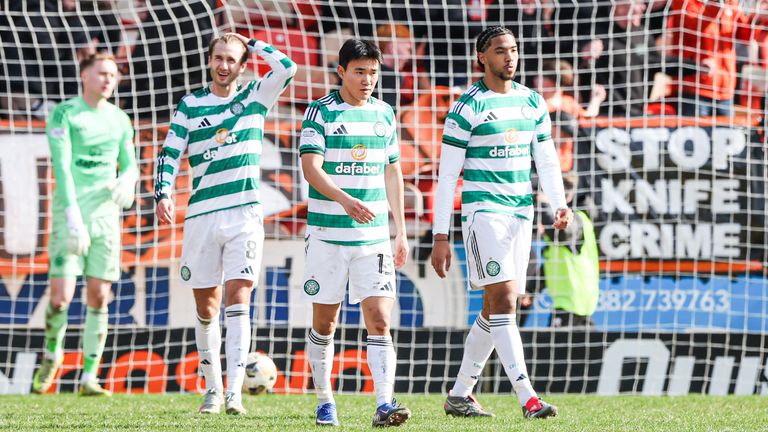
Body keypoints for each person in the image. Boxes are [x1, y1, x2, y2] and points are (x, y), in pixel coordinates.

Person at [431, 26, 572, 419]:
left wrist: (560, 204)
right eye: (499, 51)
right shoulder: (466, 107)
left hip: (521, 212)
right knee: (508, 299)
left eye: (513, 50)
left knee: (495, 306)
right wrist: (440, 235)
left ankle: (460, 393)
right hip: (483, 214)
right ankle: (528, 398)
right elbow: (446, 178)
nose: (509, 57)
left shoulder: (531, 102)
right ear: (482, 57)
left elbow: (545, 159)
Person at [153, 33, 296, 415]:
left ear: (242, 64)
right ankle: (212, 389)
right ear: (210, 59)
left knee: (239, 297)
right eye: (218, 58)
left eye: (231, 59)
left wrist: (254, 42)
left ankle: (232, 392)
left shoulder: (254, 96)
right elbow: (170, 151)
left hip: (245, 214)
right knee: (206, 307)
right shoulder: (191, 104)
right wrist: (163, 193)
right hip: (202, 215)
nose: (223, 65)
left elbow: (288, 67)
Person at [298, 38, 411, 428]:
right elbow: (311, 168)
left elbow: (392, 171)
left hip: (374, 237)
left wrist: (401, 230)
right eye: (359, 72)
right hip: (329, 234)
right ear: (341, 71)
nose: (367, 80)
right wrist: (346, 200)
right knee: (325, 323)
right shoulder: (320, 112)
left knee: (380, 319)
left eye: (373, 73)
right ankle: (325, 400)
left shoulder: (384, 113)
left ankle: (384, 402)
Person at [32, 53, 138, 396]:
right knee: (61, 298)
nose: (108, 79)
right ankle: (52, 352)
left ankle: (89, 377)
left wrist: (128, 181)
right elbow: (61, 166)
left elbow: (130, 163)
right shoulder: (65, 113)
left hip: (106, 218)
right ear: (84, 75)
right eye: (102, 73)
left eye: (113, 74)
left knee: (99, 295)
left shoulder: (120, 119)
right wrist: (71, 213)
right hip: (70, 216)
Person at [538, 173, 599, 327]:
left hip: (573, 303)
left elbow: (562, 233)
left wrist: (543, 204)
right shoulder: (574, 221)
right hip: (570, 304)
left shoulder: (576, 220)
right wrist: (531, 289)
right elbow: (553, 263)